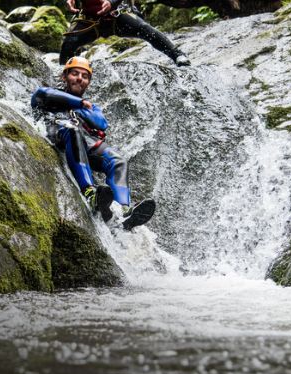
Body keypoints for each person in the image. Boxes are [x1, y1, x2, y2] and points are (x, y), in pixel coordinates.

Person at [31, 56, 155, 230]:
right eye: (75, 74)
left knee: (118, 161)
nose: (80, 78)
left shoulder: (92, 107)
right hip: (58, 133)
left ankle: (124, 211)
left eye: (85, 76)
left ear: (88, 82)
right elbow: (41, 94)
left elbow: (101, 123)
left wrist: (81, 108)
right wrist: (79, 103)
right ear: (64, 76)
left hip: (84, 142)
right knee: (72, 130)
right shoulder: (50, 94)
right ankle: (90, 193)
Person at [60, 0, 190, 67]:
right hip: (90, 19)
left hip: (118, 15)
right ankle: (65, 73)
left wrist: (111, 2)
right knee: (68, 44)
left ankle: (177, 55)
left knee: (145, 29)